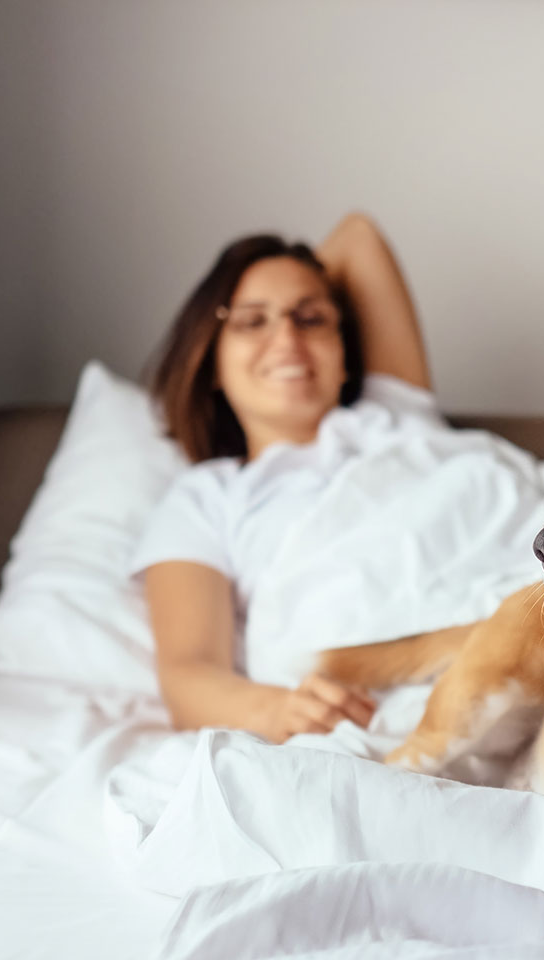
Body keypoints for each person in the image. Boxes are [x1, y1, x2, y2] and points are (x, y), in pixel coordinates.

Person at [133, 213, 435, 743]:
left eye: (311, 318)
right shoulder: (207, 497)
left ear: (345, 355)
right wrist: (280, 711)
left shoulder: (397, 417)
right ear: (212, 363)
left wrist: (285, 283)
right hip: (378, 699)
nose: (287, 337)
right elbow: (188, 673)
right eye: (252, 322)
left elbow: (357, 236)